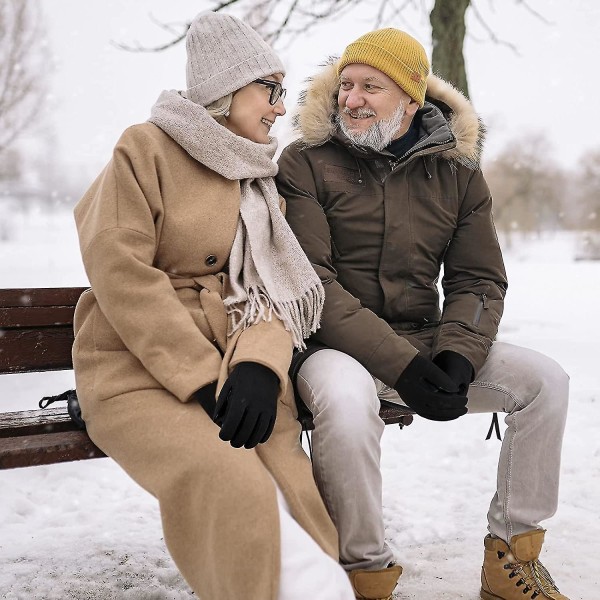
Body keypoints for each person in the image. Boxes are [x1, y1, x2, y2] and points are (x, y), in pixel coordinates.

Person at [276, 27, 570, 600]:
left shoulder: (458, 172)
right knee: (344, 399)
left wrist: (459, 355)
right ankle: (363, 574)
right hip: (330, 346)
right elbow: (315, 286)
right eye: (347, 85)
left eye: (370, 87)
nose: (351, 99)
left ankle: (511, 557)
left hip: (426, 338)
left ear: (412, 101)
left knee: (545, 382)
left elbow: (478, 278)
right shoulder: (305, 163)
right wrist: (404, 367)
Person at [71, 11, 356, 600]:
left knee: (291, 491)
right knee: (228, 481)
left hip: (234, 367)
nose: (280, 107)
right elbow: (120, 272)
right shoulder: (144, 148)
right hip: (138, 370)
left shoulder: (256, 176)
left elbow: (272, 289)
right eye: (270, 90)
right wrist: (199, 378)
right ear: (228, 89)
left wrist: (257, 365)